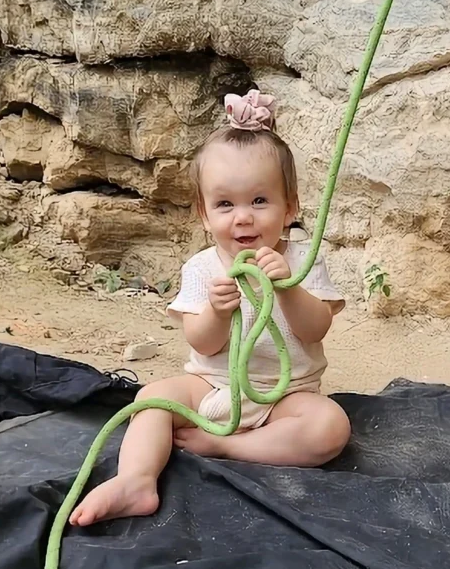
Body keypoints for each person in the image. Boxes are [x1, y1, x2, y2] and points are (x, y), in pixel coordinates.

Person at [70, 90, 351, 526]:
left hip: (285, 398)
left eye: (259, 201)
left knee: (331, 427)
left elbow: (315, 330)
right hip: (212, 386)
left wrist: (288, 289)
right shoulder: (202, 268)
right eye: (225, 204)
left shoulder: (301, 261)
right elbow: (200, 343)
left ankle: (226, 446)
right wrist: (217, 314)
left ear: (290, 207)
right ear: (204, 214)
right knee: (152, 398)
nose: (243, 217)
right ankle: (136, 480)